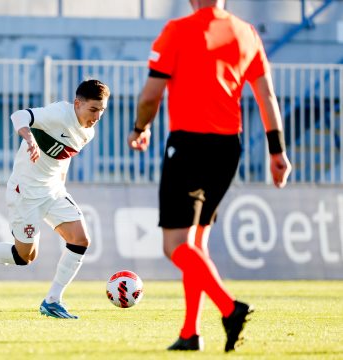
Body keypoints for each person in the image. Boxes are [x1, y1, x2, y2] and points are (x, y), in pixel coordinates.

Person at [127, 0, 291, 352]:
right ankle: (190, 333)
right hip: (229, 147)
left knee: (175, 245)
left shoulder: (177, 30)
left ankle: (230, 308)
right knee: (196, 244)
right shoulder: (246, 33)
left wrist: (140, 127)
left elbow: (151, 95)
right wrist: (277, 152)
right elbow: (266, 96)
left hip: (189, 145)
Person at [0, 79, 111, 319]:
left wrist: (61, 187)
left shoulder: (88, 132)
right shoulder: (59, 113)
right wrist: (29, 138)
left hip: (53, 191)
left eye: (102, 110)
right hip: (25, 192)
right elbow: (18, 116)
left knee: (80, 240)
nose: (98, 116)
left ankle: (53, 300)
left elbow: (63, 158)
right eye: (93, 109)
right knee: (24, 256)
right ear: (77, 104)